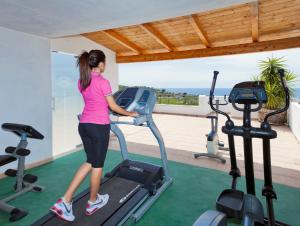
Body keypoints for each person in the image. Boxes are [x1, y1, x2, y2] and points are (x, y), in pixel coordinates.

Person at [50, 49, 138, 221]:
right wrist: (129, 113)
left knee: (90, 162)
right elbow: (113, 106)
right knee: (97, 166)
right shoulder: (103, 82)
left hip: (84, 125)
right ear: (101, 64)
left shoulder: (81, 81)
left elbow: (94, 101)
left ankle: (66, 200)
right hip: (98, 128)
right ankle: (92, 201)